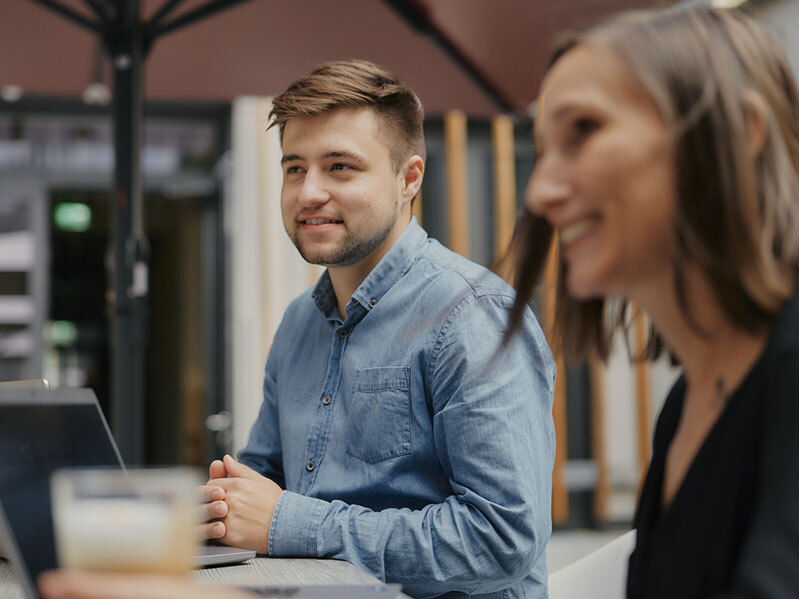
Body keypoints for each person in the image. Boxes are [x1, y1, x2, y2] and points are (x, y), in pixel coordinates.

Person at [198, 59, 554, 599]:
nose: (309, 192)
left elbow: (502, 539)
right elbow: (260, 487)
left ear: (408, 178)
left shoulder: (473, 316)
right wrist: (215, 510)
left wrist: (292, 523)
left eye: (340, 166)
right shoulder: (299, 323)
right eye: (294, 168)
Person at [508, 4, 799, 598]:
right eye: (542, 149)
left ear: (738, 133)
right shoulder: (686, 406)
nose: (540, 191)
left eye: (583, 130)